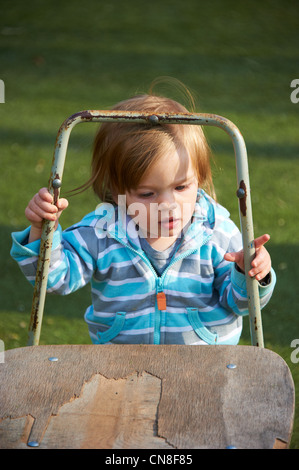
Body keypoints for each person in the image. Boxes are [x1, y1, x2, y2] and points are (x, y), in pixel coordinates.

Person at [10, 83, 275, 345]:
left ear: (200, 177)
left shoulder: (218, 233)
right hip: (120, 369)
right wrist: (41, 230)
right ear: (116, 191)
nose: (168, 204)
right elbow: (54, 279)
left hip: (207, 366)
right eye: (148, 194)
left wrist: (249, 272)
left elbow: (242, 305)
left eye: (181, 186)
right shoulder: (101, 231)